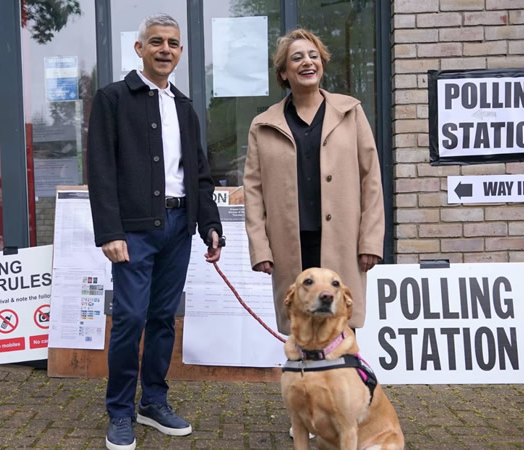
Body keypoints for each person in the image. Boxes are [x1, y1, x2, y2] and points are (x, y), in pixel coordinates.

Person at [87, 13, 223, 450]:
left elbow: (198, 172)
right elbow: (101, 170)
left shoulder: (184, 106)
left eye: (173, 44)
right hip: (133, 231)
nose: (166, 49)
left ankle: (154, 403)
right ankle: (121, 412)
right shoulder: (112, 98)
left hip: (178, 227)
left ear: (180, 53)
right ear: (139, 48)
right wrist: (109, 231)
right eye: (157, 42)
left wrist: (209, 225)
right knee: (129, 318)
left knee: (164, 318)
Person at [244, 28, 385, 337]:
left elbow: (371, 179)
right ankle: (305, 384)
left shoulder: (351, 112)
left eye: (313, 56)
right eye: (297, 58)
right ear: (283, 71)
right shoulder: (263, 125)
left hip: (343, 240)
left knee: (341, 323)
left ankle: (342, 384)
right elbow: (253, 192)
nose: (307, 62)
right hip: (290, 244)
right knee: (299, 322)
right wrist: (260, 247)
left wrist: (371, 240)